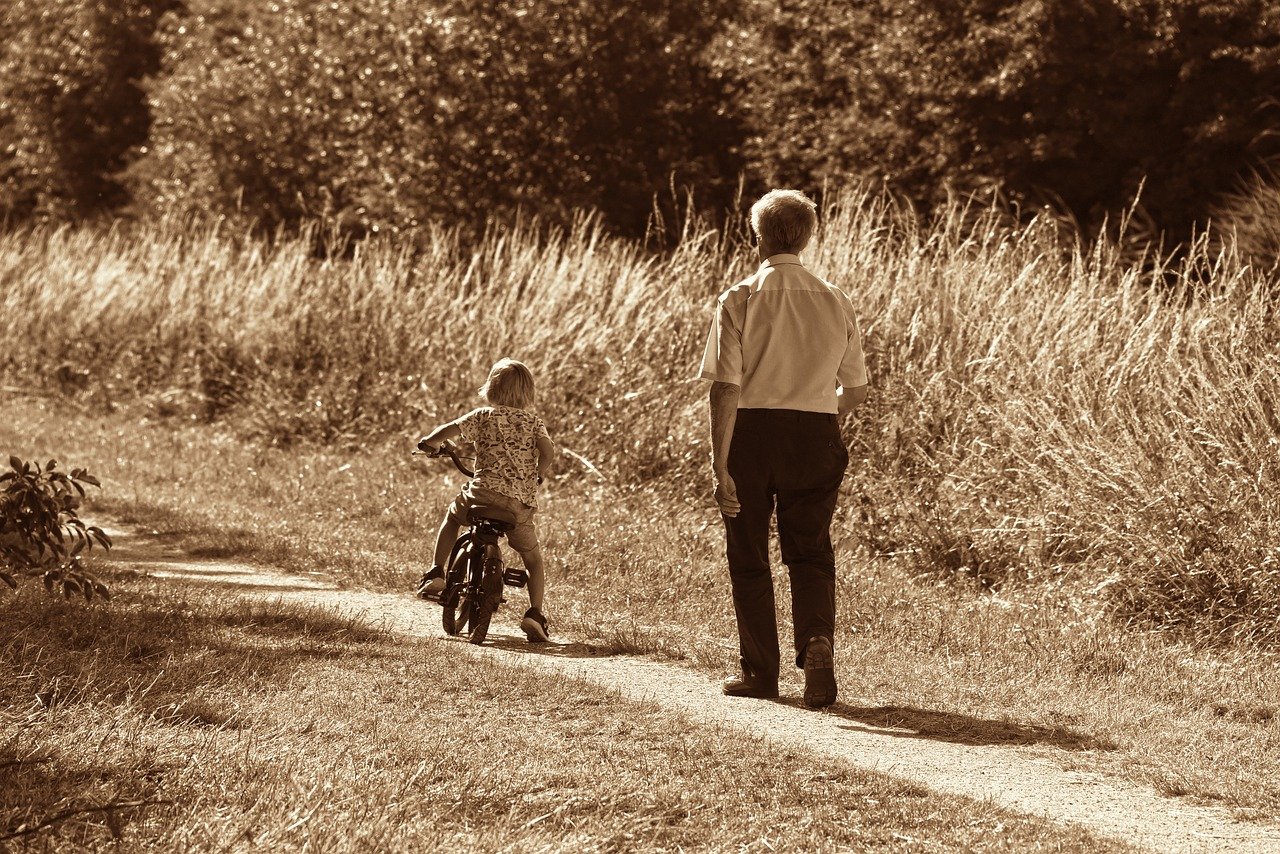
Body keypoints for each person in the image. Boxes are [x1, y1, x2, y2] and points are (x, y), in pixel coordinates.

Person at [699, 189, 868, 708]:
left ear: (758, 235)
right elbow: (857, 389)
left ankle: (761, 672)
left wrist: (719, 462)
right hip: (815, 433)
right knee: (811, 550)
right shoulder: (834, 297)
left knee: (748, 552)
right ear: (810, 235)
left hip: (751, 432)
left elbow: (725, 386)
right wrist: (816, 409)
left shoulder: (741, 297)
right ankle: (816, 640)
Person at [416, 358, 556, 643]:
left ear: (491, 388)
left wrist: (429, 443)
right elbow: (548, 450)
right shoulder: (533, 422)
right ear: (529, 393)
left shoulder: (484, 415)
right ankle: (534, 613)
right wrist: (539, 473)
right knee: (533, 559)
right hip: (518, 504)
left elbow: (447, 430)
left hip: (481, 495)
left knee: (453, 518)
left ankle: (435, 574)